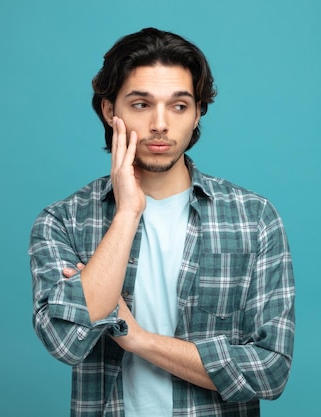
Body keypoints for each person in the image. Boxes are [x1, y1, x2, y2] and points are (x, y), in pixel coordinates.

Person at [29, 27, 295, 417]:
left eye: (179, 105)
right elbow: (66, 342)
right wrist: (127, 213)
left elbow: (271, 372)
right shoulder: (64, 221)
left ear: (198, 111)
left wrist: (138, 339)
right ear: (109, 110)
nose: (160, 124)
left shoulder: (254, 219)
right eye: (140, 104)